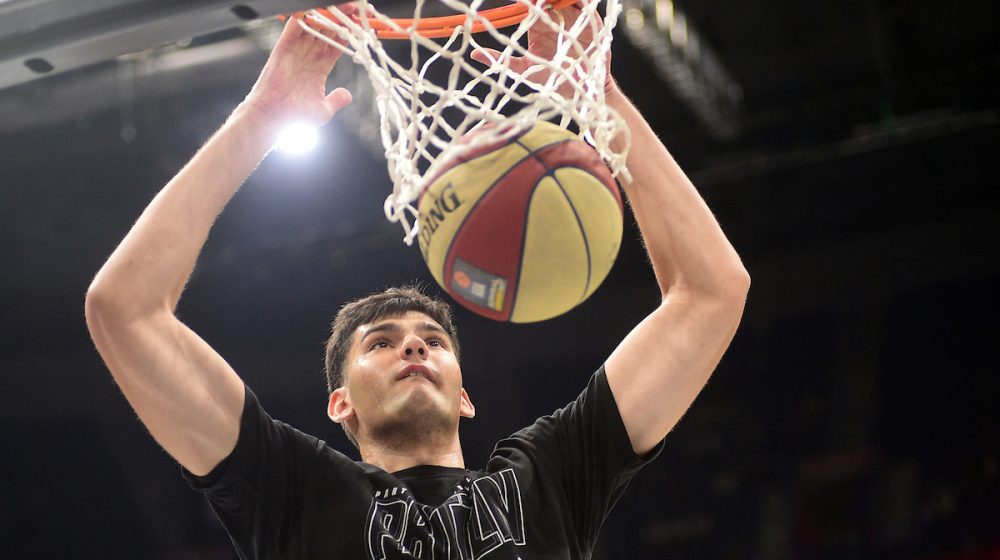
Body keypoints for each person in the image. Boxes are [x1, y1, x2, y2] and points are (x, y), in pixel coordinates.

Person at [85, 5, 749, 559]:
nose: (413, 346)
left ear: (466, 397)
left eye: (433, 340)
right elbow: (124, 308)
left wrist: (602, 103)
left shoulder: (546, 478)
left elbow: (713, 290)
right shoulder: (295, 490)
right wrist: (258, 120)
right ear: (339, 404)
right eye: (380, 343)